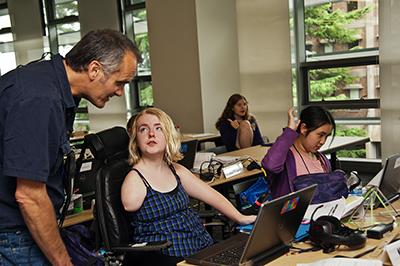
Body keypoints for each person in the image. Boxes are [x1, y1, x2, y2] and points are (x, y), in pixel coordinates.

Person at [0, 29, 141, 265]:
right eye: (120, 83)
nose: (119, 92)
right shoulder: (39, 98)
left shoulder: (52, 86)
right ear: (94, 69)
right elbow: (29, 196)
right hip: (13, 236)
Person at [121, 107, 256, 265]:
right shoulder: (135, 178)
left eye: (158, 128)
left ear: (168, 135)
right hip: (169, 257)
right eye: (143, 129)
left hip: (201, 247)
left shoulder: (176, 170)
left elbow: (213, 196)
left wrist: (240, 218)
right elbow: (129, 204)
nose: (151, 134)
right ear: (136, 139)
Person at [261, 106, 336, 199]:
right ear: (304, 128)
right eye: (320, 135)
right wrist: (289, 131)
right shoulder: (286, 156)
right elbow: (270, 165)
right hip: (292, 213)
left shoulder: (322, 160)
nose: (323, 141)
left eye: (327, 136)